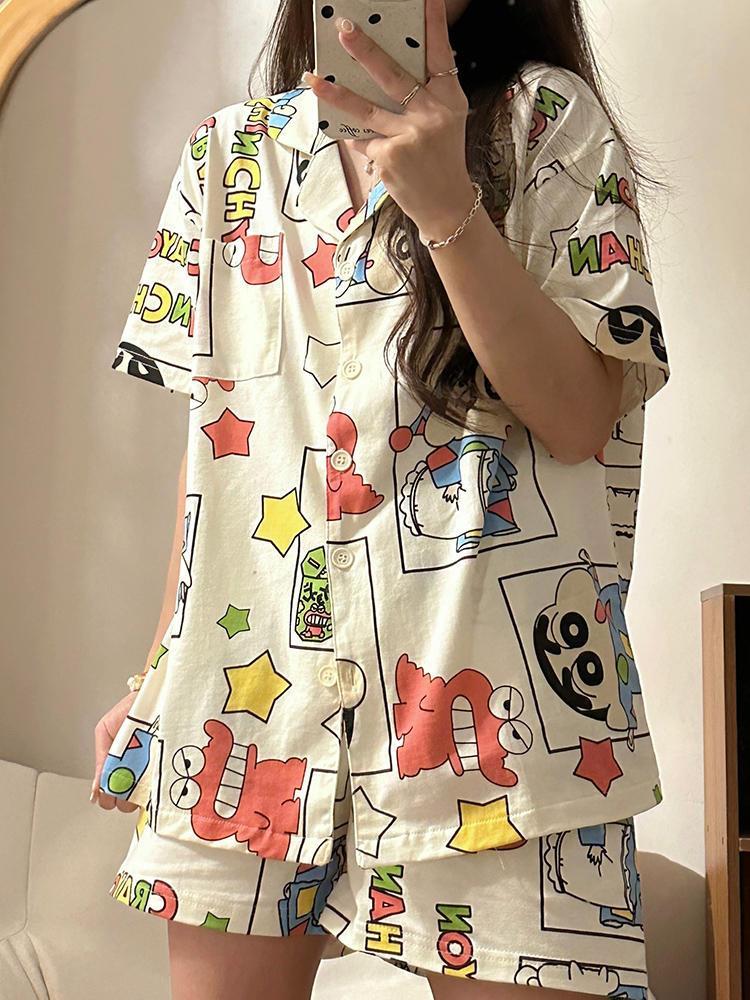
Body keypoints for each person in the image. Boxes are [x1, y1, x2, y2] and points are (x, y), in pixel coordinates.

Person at [92, 0, 671, 996]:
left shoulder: (547, 122)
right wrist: (158, 670)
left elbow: (580, 416)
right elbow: (220, 460)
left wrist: (448, 207)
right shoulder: (229, 157)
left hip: (499, 719)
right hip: (243, 716)